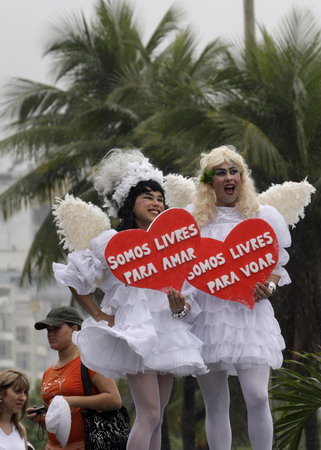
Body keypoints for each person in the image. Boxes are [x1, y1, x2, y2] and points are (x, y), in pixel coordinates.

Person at [53, 149, 207, 450]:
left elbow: (186, 301)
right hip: (136, 332)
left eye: (160, 198)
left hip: (167, 331)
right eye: (147, 196)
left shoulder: (173, 245)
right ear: (129, 203)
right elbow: (75, 279)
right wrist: (98, 314)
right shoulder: (112, 241)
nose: (156, 203)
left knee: (157, 415)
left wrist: (179, 309)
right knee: (149, 413)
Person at [170, 145, 291, 450]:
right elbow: (183, 275)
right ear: (209, 181)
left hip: (250, 315)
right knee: (215, 403)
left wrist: (270, 289)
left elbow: (275, 266)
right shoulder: (191, 221)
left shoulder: (264, 216)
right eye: (220, 172)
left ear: (242, 176)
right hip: (207, 318)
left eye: (233, 171)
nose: (228, 177)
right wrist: (180, 308)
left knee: (258, 396)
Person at [26, 306, 122, 450]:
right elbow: (60, 424)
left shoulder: (90, 361)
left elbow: (114, 400)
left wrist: (70, 401)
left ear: (74, 329)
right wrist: (40, 419)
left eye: (56, 328)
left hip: (86, 445)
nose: (50, 334)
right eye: (48, 330)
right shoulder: (48, 372)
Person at [0, 369, 30, 450]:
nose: (23, 398)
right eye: (17, 391)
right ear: (1, 393)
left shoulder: (20, 429)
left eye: (25, 392)